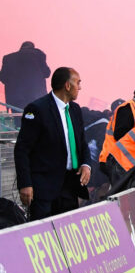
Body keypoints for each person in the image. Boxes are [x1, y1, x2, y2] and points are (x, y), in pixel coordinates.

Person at [14, 67, 91, 220]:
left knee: (68, 229)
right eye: (78, 83)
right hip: (44, 189)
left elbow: (82, 143)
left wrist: (86, 164)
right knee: (43, 231)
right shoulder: (37, 109)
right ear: (67, 85)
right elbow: (22, 149)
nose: (80, 87)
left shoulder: (75, 110)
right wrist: (25, 184)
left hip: (69, 186)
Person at [0, 41, 50, 113]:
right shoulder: (38, 55)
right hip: (35, 97)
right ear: (33, 48)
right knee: (35, 118)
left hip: (15, 99)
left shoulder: (8, 58)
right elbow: (47, 73)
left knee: (19, 118)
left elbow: (3, 78)